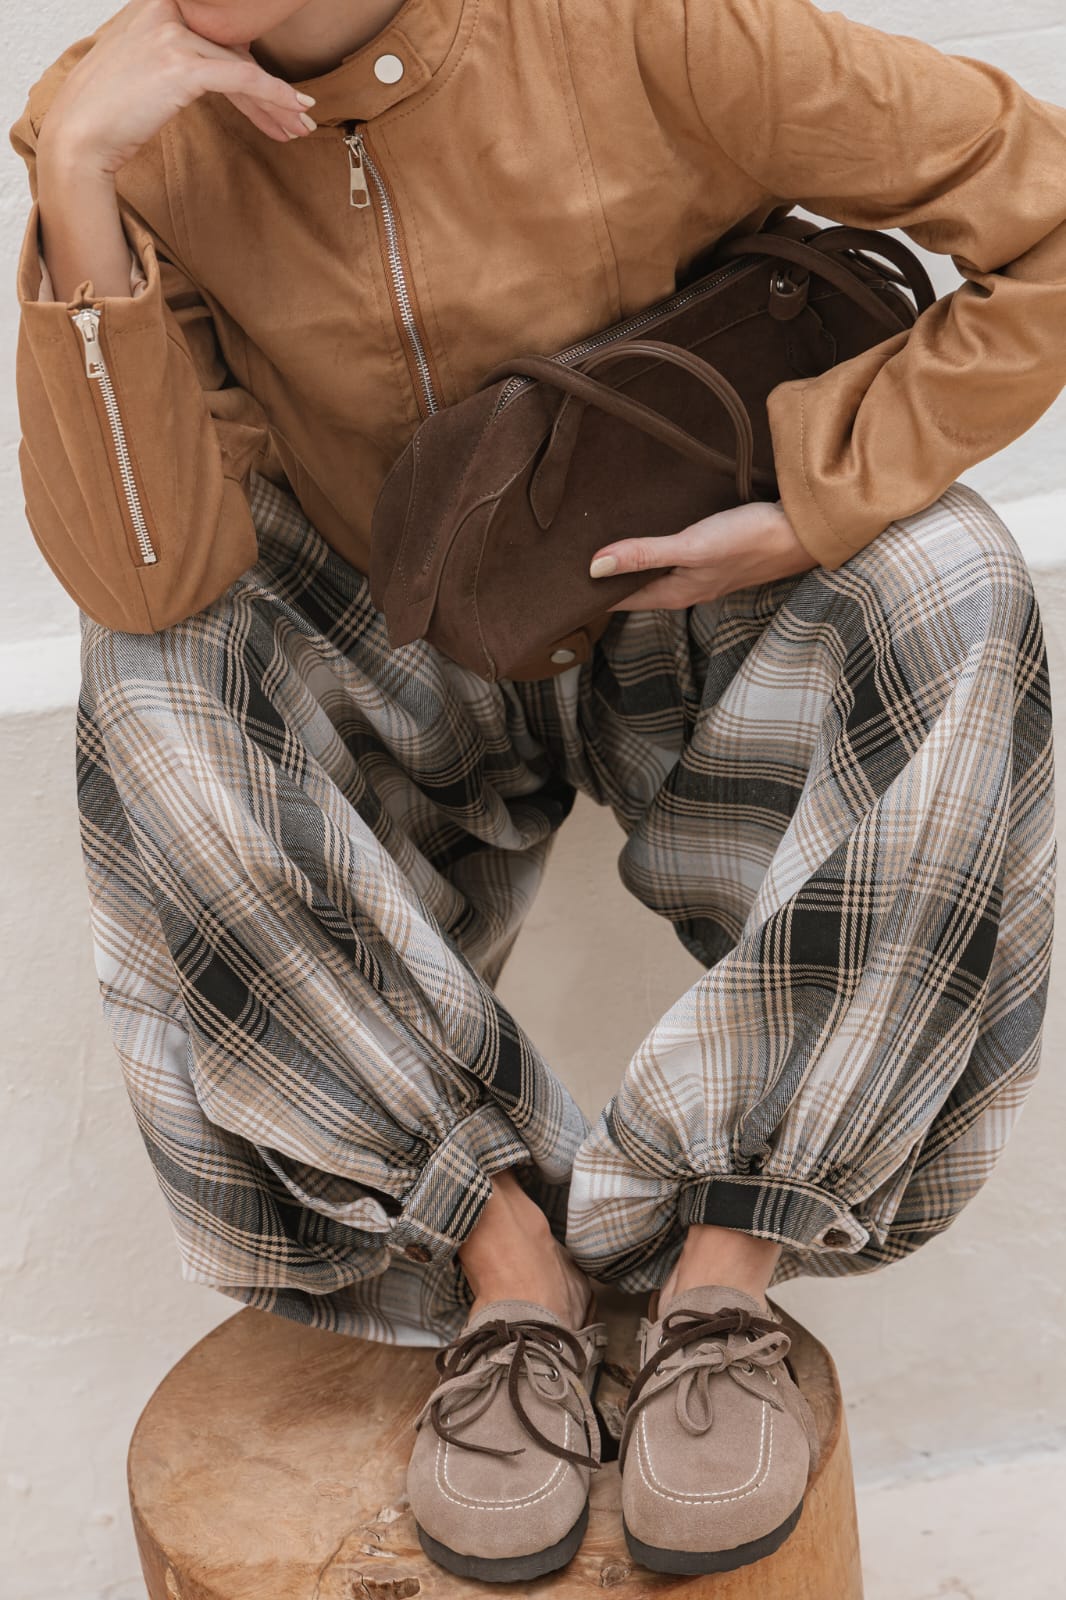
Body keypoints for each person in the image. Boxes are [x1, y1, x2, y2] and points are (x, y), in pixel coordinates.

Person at [10, 0, 1062, 1580]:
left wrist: (816, 498)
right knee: (151, 672)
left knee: (950, 579)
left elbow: (1045, 216)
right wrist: (83, 180)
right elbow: (143, 572)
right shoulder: (124, 121)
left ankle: (722, 1272)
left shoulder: (645, 22)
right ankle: (509, 1270)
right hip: (392, 657)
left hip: (683, 619)